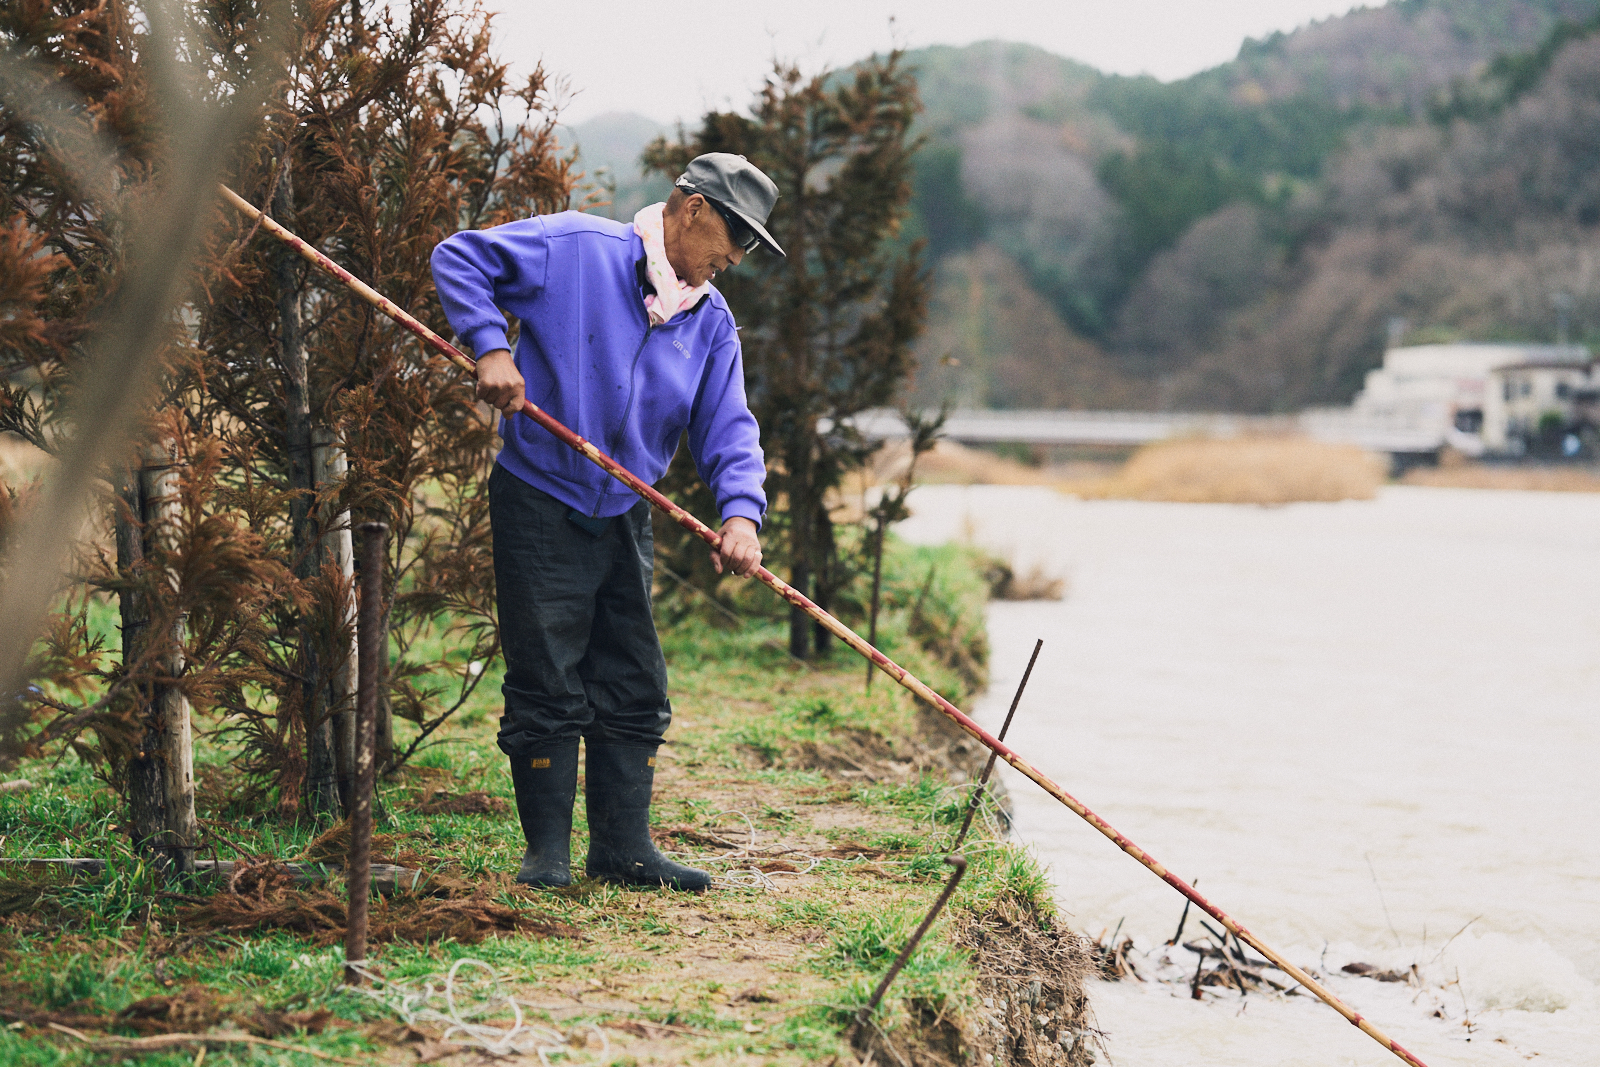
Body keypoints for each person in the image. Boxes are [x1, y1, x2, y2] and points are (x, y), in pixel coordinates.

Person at [430, 154, 784, 891]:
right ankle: (547, 857)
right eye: (734, 237)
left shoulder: (710, 321)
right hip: (538, 494)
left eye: (749, 247)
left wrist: (742, 515)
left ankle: (623, 851)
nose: (735, 259)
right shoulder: (575, 248)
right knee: (547, 673)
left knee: (634, 678)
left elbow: (729, 428)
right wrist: (491, 346)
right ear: (692, 211)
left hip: (625, 509)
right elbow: (458, 256)